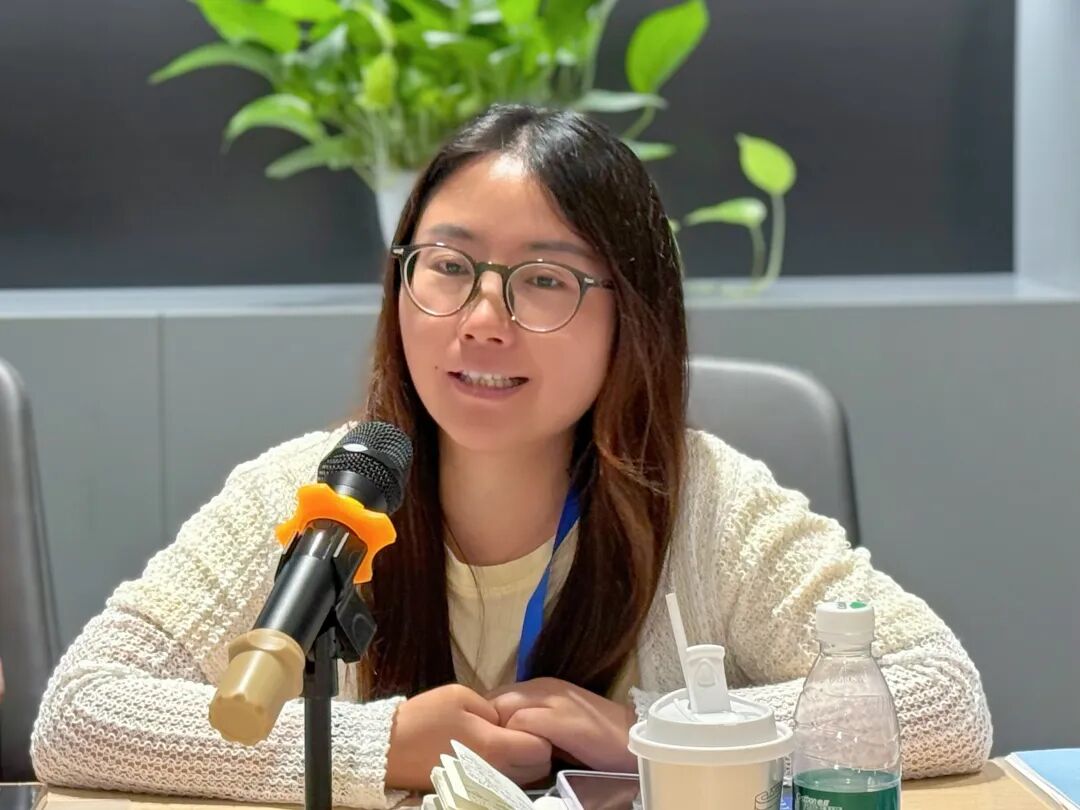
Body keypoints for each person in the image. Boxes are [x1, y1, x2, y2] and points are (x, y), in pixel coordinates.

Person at [31, 105, 992, 807]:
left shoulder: (708, 503)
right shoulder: (320, 492)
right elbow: (79, 713)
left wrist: (655, 733)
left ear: (633, 314)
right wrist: (379, 746)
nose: (483, 320)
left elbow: (942, 698)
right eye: (449, 267)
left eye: (544, 280)